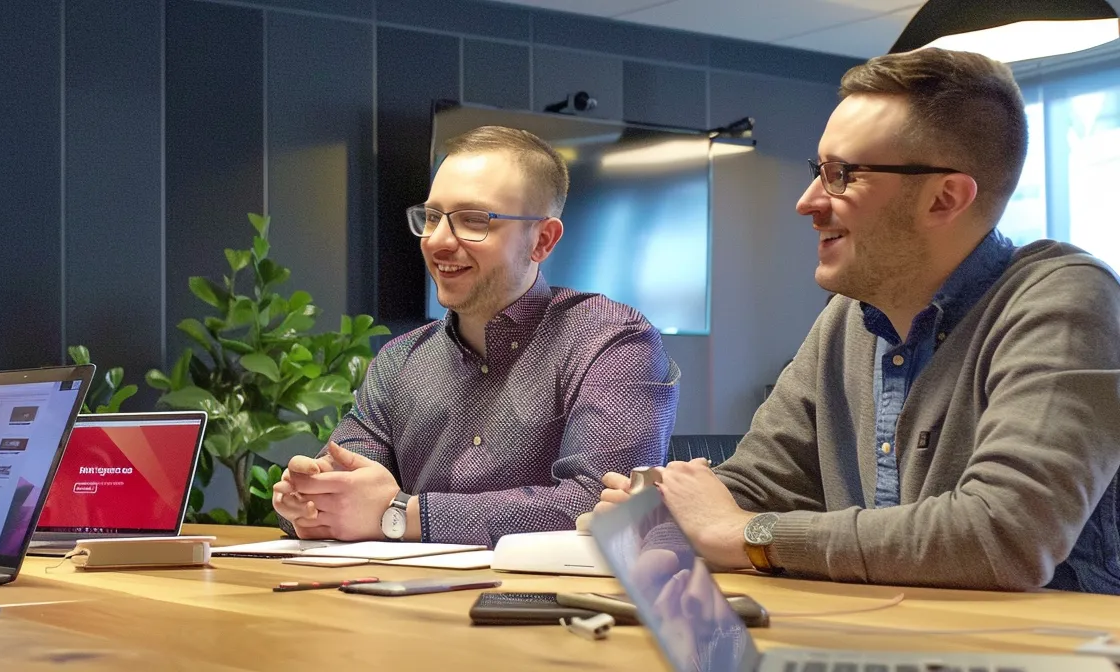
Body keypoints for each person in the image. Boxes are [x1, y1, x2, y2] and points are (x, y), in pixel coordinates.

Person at [595, 48, 1120, 595]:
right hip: (889, 641)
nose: (807, 202)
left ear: (945, 198)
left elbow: (1003, 537)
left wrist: (744, 533)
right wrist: (665, 518)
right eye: (817, 171)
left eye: (841, 174)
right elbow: (756, 486)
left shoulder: (1066, 297)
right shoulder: (847, 319)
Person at [272, 125, 680, 545]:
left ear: (543, 239)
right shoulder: (399, 362)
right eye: (432, 218)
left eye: (474, 221)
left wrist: (400, 514)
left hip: (547, 606)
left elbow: (604, 507)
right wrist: (308, 498)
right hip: (401, 601)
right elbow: (342, 492)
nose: (439, 241)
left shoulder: (612, 341)